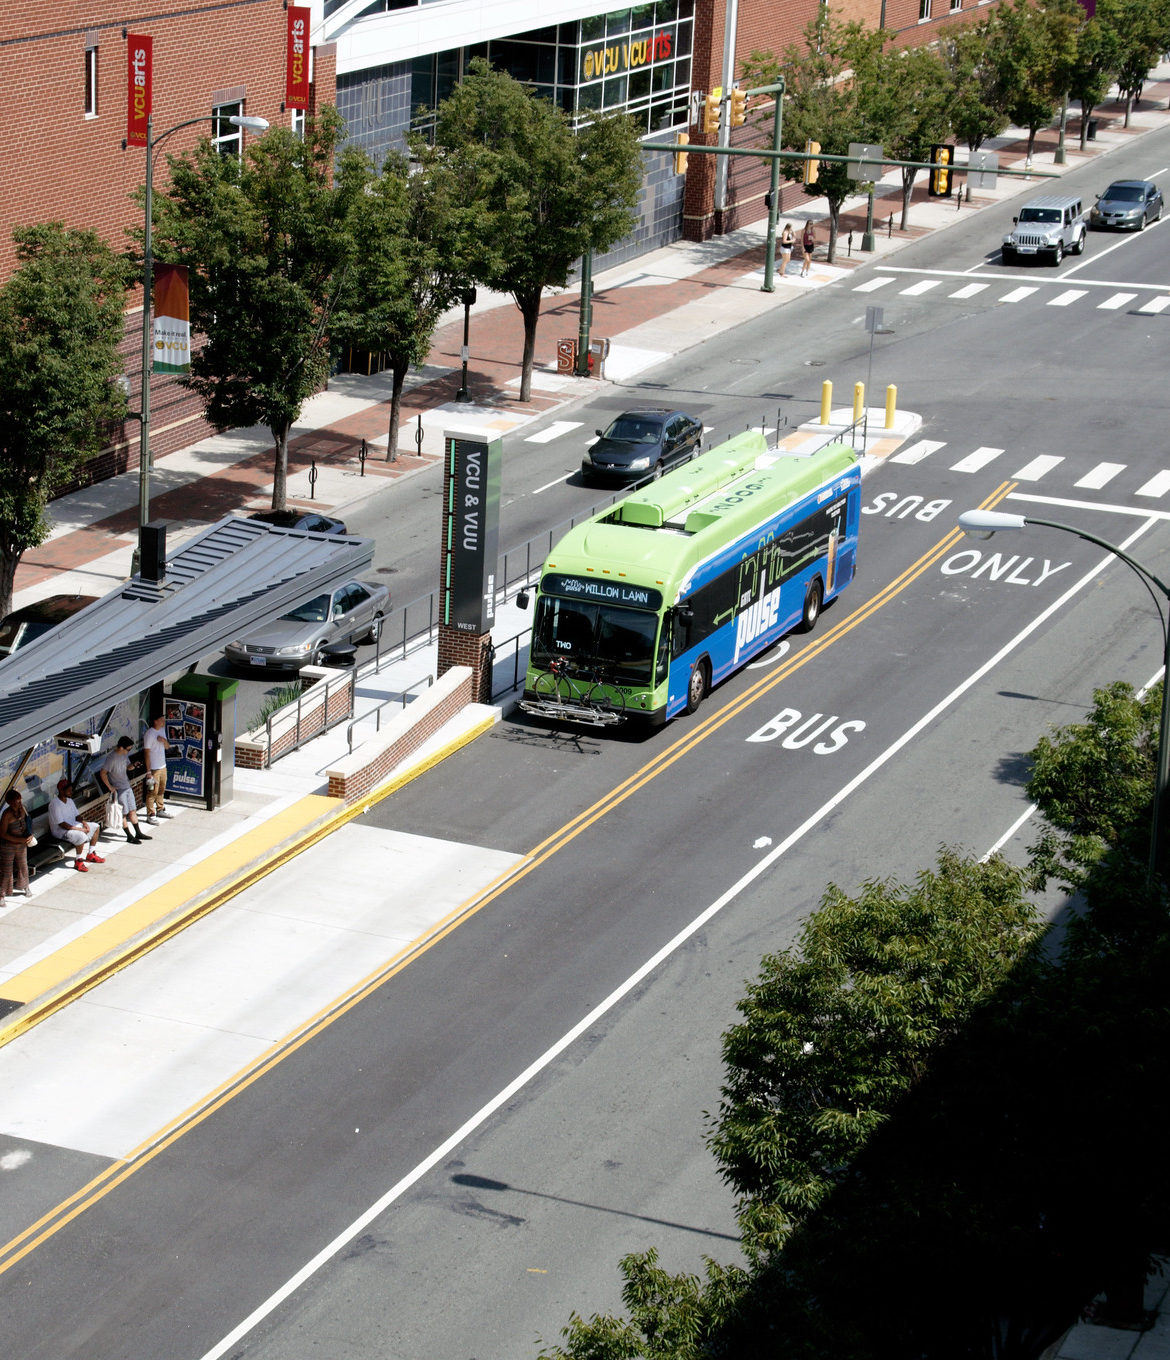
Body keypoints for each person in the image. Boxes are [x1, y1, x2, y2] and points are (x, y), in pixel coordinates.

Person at [99, 737, 152, 845]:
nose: (129, 751)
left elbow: (128, 767)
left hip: (127, 786)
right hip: (119, 788)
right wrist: (110, 787)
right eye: (128, 749)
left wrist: (133, 765)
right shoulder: (111, 758)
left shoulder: (124, 754)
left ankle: (138, 833)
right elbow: (103, 773)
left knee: (132, 810)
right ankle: (129, 836)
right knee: (123, 813)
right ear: (121, 747)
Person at [48, 779, 105, 872]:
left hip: (73, 826)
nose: (71, 792)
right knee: (80, 836)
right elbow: (62, 824)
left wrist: (85, 824)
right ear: (62, 790)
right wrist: (81, 830)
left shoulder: (70, 800)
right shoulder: (55, 804)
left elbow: (77, 816)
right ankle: (78, 861)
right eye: (69, 790)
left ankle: (91, 854)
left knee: (95, 826)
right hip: (61, 831)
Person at [0, 788, 35, 902]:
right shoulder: (6, 814)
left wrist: (29, 835)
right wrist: (17, 839)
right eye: (16, 801)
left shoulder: (23, 810)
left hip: (21, 844)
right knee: (7, 870)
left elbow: (29, 824)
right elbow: (3, 834)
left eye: (19, 800)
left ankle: (26, 887)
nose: (19, 803)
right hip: (9, 845)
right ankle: (2, 894)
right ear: (10, 802)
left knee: (23, 866)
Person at [142, 714, 172, 823]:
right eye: (161, 719)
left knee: (161, 789)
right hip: (154, 768)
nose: (163, 721)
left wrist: (164, 740)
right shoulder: (149, 734)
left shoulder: (162, 730)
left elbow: (167, 747)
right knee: (152, 791)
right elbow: (146, 753)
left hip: (162, 765)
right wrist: (148, 771)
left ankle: (160, 808)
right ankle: (151, 814)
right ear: (155, 721)